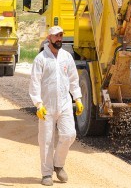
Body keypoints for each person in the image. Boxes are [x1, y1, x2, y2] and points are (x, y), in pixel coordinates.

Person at [29, 26, 84, 186]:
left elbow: (73, 79)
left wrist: (78, 98)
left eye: (61, 35)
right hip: (47, 106)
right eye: (56, 36)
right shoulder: (41, 59)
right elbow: (35, 83)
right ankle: (46, 174)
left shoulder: (67, 57)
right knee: (46, 140)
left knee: (69, 135)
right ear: (49, 38)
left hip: (65, 104)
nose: (59, 38)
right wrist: (38, 104)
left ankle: (58, 165)